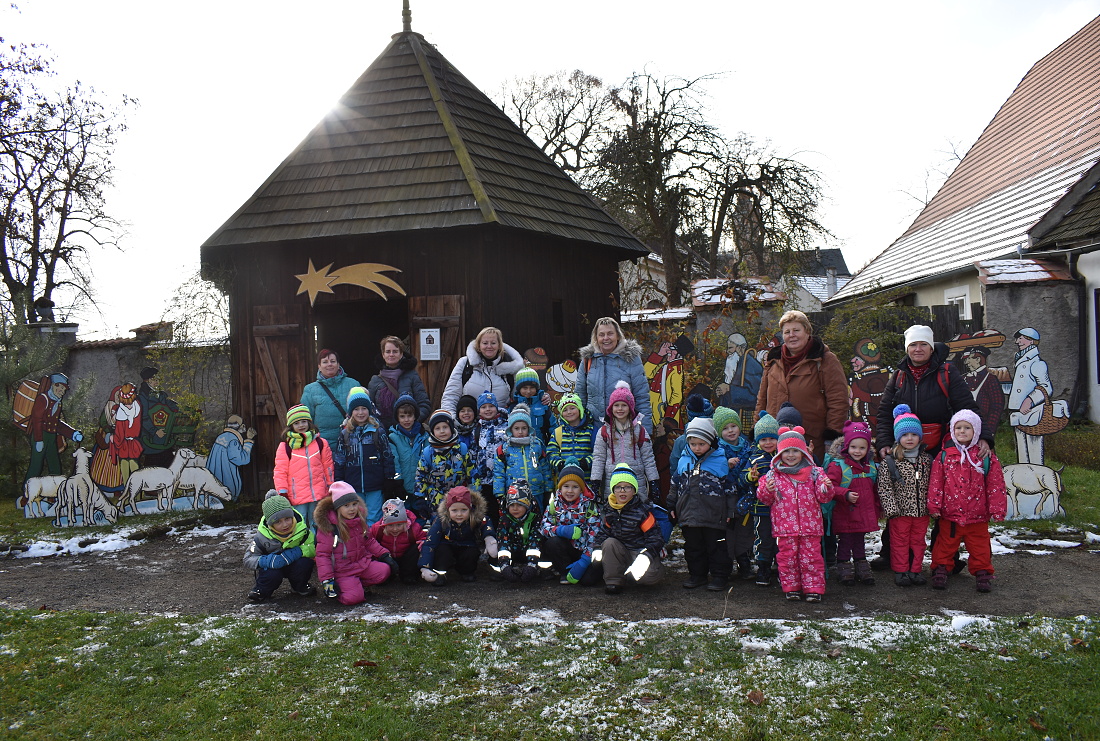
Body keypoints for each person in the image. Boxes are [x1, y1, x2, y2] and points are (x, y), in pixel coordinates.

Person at [876, 325, 990, 460]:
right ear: (907, 349)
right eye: (913, 345)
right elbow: (885, 413)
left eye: (924, 344)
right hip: (905, 450)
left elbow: (967, 408)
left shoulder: (947, 373)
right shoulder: (898, 377)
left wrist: (983, 436)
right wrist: (884, 442)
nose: (918, 349)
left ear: (931, 348)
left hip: (943, 449)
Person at [928, 410, 1007, 592]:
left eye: (967, 428)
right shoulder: (944, 456)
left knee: (980, 547)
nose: (962, 431)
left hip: (977, 514)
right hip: (951, 514)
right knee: (945, 545)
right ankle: (941, 569)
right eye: (958, 428)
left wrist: (997, 509)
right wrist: (934, 505)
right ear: (952, 430)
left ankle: (982, 572)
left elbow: (995, 485)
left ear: (976, 431)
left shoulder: (985, 457)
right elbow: (936, 482)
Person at [756, 310, 848, 462]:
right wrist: (757, 428)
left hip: (811, 440)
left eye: (796, 330)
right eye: (787, 332)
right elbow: (762, 398)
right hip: (774, 441)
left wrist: (832, 435)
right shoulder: (773, 360)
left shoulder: (824, 360)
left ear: (807, 331)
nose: (792, 335)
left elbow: (838, 400)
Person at [756, 426, 834, 602]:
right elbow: (765, 499)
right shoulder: (773, 474)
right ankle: (792, 587)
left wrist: (826, 488)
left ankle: (813, 588)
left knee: (811, 558)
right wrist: (767, 490)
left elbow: (824, 497)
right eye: (786, 451)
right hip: (785, 528)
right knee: (787, 559)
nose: (791, 455)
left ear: (803, 452)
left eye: (795, 451)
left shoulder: (815, 472)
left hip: (810, 527)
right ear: (779, 454)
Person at [667, 418, 734, 592]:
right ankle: (697, 575)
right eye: (693, 444)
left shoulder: (719, 461)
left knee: (717, 546)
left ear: (711, 442)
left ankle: (720, 576)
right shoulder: (683, 461)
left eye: (701, 444)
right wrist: (671, 505)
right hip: (689, 513)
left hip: (714, 514)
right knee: (693, 547)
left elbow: (729, 488)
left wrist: (731, 511)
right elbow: (674, 485)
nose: (697, 448)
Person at [315, 482, 399, 605]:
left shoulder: (359, 520)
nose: (352, 509)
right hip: (343, 571)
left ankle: (357, 584)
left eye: (354, 504)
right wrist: (327, 580)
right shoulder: (330, 527)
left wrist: (384, 555)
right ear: (337, 507)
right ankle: (344, 588)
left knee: (384, 571)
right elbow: (323, 555)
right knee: (353, 598)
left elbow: (369, 541)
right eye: (346, 505)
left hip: (362, 563)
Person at [876, 405, 933, 587]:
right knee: (899, 542)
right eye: (905, 435)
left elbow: (933, 484)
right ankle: (901, 571)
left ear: (920, 437)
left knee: (918, 542)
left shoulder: (926, 460)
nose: (909, 438)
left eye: (914, 434)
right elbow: (885, 487)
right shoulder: (891, 461)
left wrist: (932, 506)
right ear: (898, 437)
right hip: (900, 512)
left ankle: (915, 570)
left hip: (921, 512)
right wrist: (891, 509)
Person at [589, 464, 665, 594]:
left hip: (639, 552)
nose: (622, 490)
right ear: (613, 490)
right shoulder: (610, 510)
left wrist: (646, 556)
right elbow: (604, 532)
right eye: (618, 487)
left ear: (634, 490)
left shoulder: (642, 512)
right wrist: (596, 548)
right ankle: (614, 581)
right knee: (609, 543)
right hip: (620, 552)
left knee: (650, 577)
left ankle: (640, 573)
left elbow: (656, 538)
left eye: (627, 487)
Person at [825, 421, 879, 587]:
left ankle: (860, 563)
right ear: (846, 446)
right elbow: (830, 487)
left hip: (863, 512)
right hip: (845, 511)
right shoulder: (838, 465)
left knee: (860, 539)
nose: (857, 451)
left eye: (862, 448)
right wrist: (845, 494)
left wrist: (878, 508)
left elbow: (875, 489)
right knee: (846, 540)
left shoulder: (870, 466)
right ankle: (843, 565)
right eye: (853, 447)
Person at [575, 317, 652, 432]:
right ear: (596, 338)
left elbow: (641, 397)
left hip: (624, 430)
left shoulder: (631, 358)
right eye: (601, 334)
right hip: (593, 428)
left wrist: (645, 431)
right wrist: (579, 428)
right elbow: (580, 395)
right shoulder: (588, 359)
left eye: (610, 333)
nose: (606, 338)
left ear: (618, 336)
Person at [334, 388, 398, 524]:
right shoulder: (345, 434)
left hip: (375, 483)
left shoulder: (377, 431)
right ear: (351, 412)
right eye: (356, 409)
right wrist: (339, 481)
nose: (360, 412)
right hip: (353, 484)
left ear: (369, 410)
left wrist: (389, 478)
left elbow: (387, 456)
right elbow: (340, 459)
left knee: (374, 516)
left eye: (364, 408)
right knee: (356, 516)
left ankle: (372, 537)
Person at [591, 381, 659, 503]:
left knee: (636, 512)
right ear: (611, 408)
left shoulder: (640, 430)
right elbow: (599, 459)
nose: (620, 409)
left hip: (636, 484)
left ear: (631, 408)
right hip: (612, 484)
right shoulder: (604, 431)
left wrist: (653, 482)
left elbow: (648, 459)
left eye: (624, 405)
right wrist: (596, 483)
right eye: (616, 405)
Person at [244, 491, 317, 602]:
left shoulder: (303, 531)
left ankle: (299, 585)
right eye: (278, 522)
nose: (285, 525)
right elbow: (248, 558)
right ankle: (261, 590)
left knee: (304, 564)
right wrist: (268, 560)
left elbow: (313, 548)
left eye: (287, 518)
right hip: (273, 567)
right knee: (271, 574)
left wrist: (296, 552)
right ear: (270, 524)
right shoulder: (262, 537)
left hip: (294, 564)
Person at [418, 486, 499, 585]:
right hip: (447, 545)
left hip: (467, 545)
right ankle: (440, 573)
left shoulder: (478, 518)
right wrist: (424, 568)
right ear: (448, 509)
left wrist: (489, 538)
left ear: (470, 509)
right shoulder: (441, 520)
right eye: (454, 510)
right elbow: (430, 543)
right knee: (442, 551)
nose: (459, 514)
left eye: (464, 510)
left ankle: (467, 572)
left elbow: (487, 526)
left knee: (471, 553)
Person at [440, 327, 527, 415]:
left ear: (499, 346)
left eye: (493, 343)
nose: (489, 346)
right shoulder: (465, 364)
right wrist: (451, 419)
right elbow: (450, 396)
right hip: (470, 422)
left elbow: (521, 397)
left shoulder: (511, 367)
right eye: (485, 343)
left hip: (502, 421)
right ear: (479, 345)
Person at [273, 405, 333, 531]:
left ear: (309, 422)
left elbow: (328, 467)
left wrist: (330, 485)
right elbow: (280, 472)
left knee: (317, 522)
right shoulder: (285, 447)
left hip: (318, 492)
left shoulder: (321, 443)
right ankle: (301, 542)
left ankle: (316, 542)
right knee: (298, 523)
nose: (301, 425)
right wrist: (282, 491)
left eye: (304, 421)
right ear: (291, 426)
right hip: (297, 494)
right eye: (296, 423)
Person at [539, 463, 600, 584]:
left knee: (588, 581)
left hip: (584, 551)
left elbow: (595, 534)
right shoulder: (554, 505)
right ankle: (564, 571)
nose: (570, 491)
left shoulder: (589, 506)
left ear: (581, 488)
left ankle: (581, 568)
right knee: (552, 543)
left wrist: (585, 559)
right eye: (566, 486)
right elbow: (543, 527)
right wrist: (560, 530)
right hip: (565, 549)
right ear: (560, 487)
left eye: (575, 487)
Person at [739, 412, 780, 586]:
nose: (768, 443)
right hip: (761, 508)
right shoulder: (754, 458)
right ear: (757, 441)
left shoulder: (784, 457)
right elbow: (741, 479)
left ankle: (782, 567)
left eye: (772, 438)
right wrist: (750, 477)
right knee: (763, 539)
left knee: (781, 540)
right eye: (763, 439)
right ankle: (763, 568)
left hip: (783, 509)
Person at [714, 406, 754, 580]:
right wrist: (726, 464)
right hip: (726, 498)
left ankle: (744, 562)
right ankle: (727, 563)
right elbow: (715, 473)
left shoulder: (748, 447)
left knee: (745, 531)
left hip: (745, 496)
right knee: (728, 532)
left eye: (733, 426)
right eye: (725, 428)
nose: (730, 431)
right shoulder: (718, 451)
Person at [412, 409, 473, 521]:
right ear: (432, 431)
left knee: (460, 524)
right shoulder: (428, 452)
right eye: (437, 428)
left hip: (460, 499)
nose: (442, 431)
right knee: (439, 525)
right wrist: (420, 498)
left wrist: (474, 494)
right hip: (436, 499)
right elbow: (420, 476)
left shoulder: (461, 449)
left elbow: (472, 473)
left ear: (451, 428)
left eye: (445, 427)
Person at [25, 372, 83, 481]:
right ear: (54, 385)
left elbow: (56, 423)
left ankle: (56, 490)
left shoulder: (57, 402)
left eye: (64, 389)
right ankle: (26, 490)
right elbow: (37, 420)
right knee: (35, 467)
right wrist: (38, 440)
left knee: (55, 466)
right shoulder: (43, 399)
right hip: (40, 436)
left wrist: (72, 434)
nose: (62, 391)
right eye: (61, 388)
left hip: (51, 438)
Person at [493, 403, 551, 511]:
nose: (520, 432)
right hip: (514, 494)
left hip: (536, 491)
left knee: (537, 516)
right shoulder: (504, 449)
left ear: (529, 429)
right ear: (511, 429)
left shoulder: (537, 445)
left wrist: (548, 489)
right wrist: (499, 493)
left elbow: (545, 467)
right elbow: (499, 472)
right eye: (516, 428)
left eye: (524, 428)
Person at [1008, 327, 1053, 465]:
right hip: (1019, 413)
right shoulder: (1021, 361)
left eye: (1021, 338)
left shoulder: (1037, 363)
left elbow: (1047, 387)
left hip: (1032, 412)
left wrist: (1030, 400)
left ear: (1031, 341)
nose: (1017, 342)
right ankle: (1024, 477)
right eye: (1018, 338)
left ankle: (1039, 477)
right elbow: (1019, 388)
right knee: (1022, 452)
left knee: (1034, 451)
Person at [300, 349, 361, 448]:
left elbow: (365, 412)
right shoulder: (310, 390)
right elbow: (306, 420)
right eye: (325, 362)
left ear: (338, 364)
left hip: (352, 442)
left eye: (333, 361)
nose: (329, 364)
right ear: (319, 366)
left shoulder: (353, 385)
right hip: (323, 445)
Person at [367, 336, 431, 430]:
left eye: (395, 351)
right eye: (388, 351)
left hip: (407, 433)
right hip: (383, 433)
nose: (391, 354)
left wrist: (410, 423)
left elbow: (424, 404)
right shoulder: (375, 381)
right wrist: (378, 428)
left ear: (401, 354)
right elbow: (369, 408)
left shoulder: (412, 376)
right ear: (383, 355)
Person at [494, 480, 546, 583]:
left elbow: (535, 541)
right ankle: (504, 570)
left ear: (527, 505)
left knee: (546, 547)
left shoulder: (535, 518)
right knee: (495, 551)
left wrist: (531, 565)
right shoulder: (504, 520)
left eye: (519, 505)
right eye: (512, 505)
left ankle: (540, 569)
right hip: (513, 551)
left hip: (530, 552)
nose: (515, 509)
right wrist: (504, 566)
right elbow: (503, 542)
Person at [471, 391, 509, 525]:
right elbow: (473, 453)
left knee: (503, 510)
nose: (488, 409)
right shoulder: (477, 429)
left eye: (491, 406)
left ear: (496, 407)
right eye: (484, 407)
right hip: (484, 480)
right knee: (487, 512)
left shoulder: (506, 426)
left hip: (501, 478)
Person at [369, 498, 427, 585]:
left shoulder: (414, 529)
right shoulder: (377, 529)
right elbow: (368, 541)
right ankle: (387, 574)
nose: (395, 529)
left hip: (406, 558)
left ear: (405, 523)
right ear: (385, 525)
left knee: (417, 547)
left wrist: (422, 542)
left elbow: (424, 538)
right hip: (387, 557)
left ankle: (409, 575)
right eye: (390, 525)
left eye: (399, 525)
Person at [546, 393, 596, 485]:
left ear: (580, 409)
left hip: (586, 482)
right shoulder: (558, 433)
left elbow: (598, 453)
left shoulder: (591, 431)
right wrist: (560, 464)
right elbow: (551, 453)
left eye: (572, 408)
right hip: (565, 481)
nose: (569, 412)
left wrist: (586, 463)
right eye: (565, 410)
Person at [387, 394, 429, 502]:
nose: (406, 420)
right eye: (402, 416)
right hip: (403, 486)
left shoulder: (424, 436)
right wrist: (398, 483)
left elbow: (428, 459)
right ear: (397, 417)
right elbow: (394, 462)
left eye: (409, 416)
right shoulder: (393, 437)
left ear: (415, 416)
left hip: (422, 485)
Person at [205, 414, 256, 501]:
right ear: (241, 426)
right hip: (225, 482)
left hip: (214, 480)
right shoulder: (233, 440)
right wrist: (249, 441)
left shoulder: (221, 437)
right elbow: (241, 460)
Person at [137, 367, 179, 468]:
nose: (157, 382)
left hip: (164, 432)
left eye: (158, 379)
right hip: (150, 435)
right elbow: (143, 417)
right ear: (147, 380)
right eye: (154, 379)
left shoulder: (162, 394)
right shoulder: (142, 397)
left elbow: (171, 405)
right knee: (153, 463)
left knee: (168, 461)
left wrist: (183, 409)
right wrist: (155, 431)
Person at [716, 332, 764, 414]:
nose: (728, 352)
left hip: (744, 417)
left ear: (740, 348)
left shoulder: (751, 365)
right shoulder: (738, 364)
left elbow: (755, 396)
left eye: (731, 348)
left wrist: (729, 389)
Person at [511, 367, 550, 441]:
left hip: (540, 445)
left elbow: (552, 427)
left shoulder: (543, 404)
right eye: (525, 388)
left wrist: (552, 445)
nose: (528, 391)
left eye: (532, 387)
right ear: (519, 389)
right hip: (518, 446)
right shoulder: (513, 406)